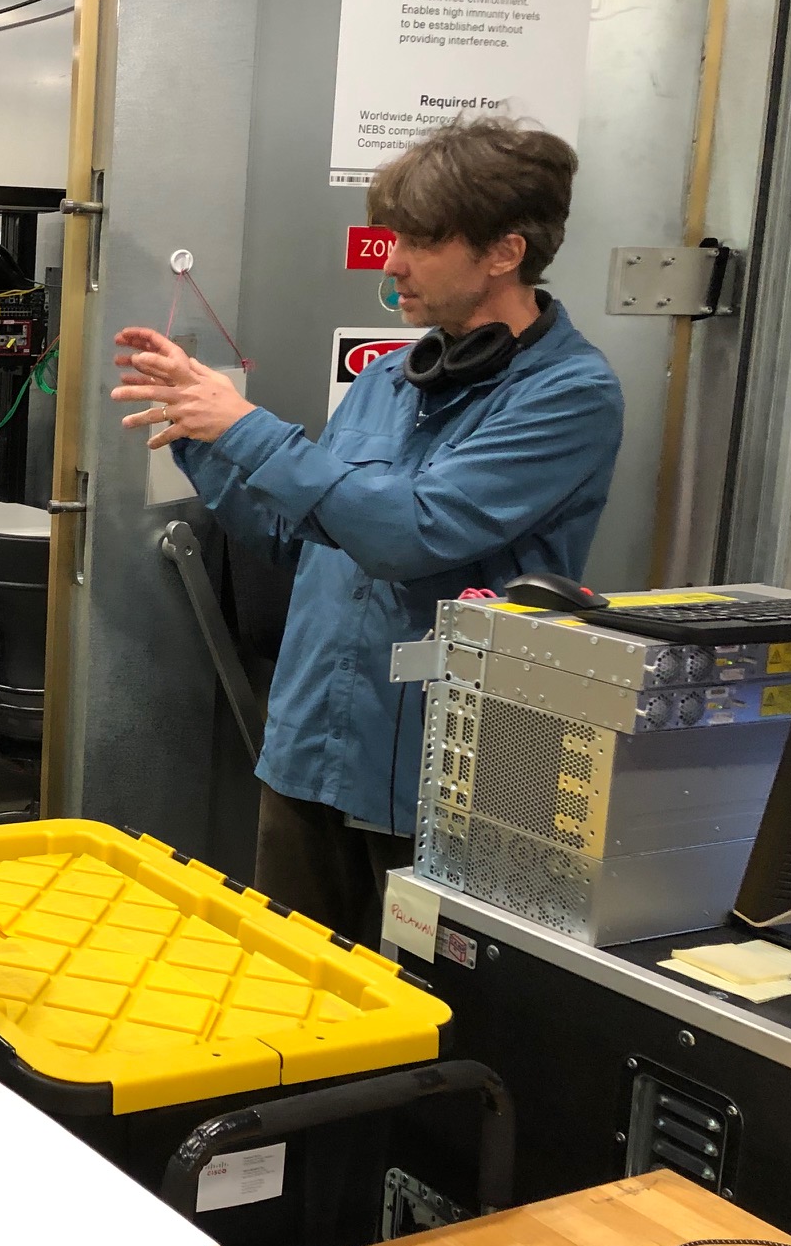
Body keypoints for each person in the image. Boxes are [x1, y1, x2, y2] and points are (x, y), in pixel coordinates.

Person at [111, 116, 625, 945]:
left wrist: (245, 427)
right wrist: (203, 442)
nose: (392, 264)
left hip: (445, 779)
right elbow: (295, 537)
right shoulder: (393, 377)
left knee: (426, 1033)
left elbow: (407, 536)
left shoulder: (569, 396)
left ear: (505, 252)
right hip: (312, 752)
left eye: (420, 240)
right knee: (293, 998)